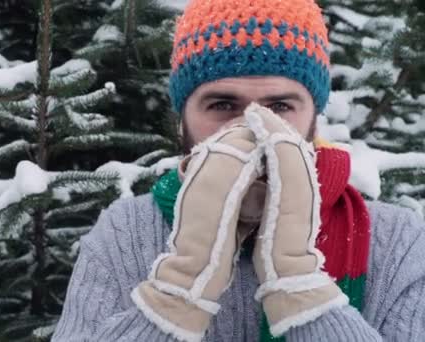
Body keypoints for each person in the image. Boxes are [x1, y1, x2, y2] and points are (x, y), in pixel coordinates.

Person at [51, 0, 425, 341]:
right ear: (182, 121)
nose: (254, 129)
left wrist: (301, 288)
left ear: (315, 119)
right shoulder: (123, 233)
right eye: (222, 104)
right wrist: (177, 292)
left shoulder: (398, 242)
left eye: (279, 106)